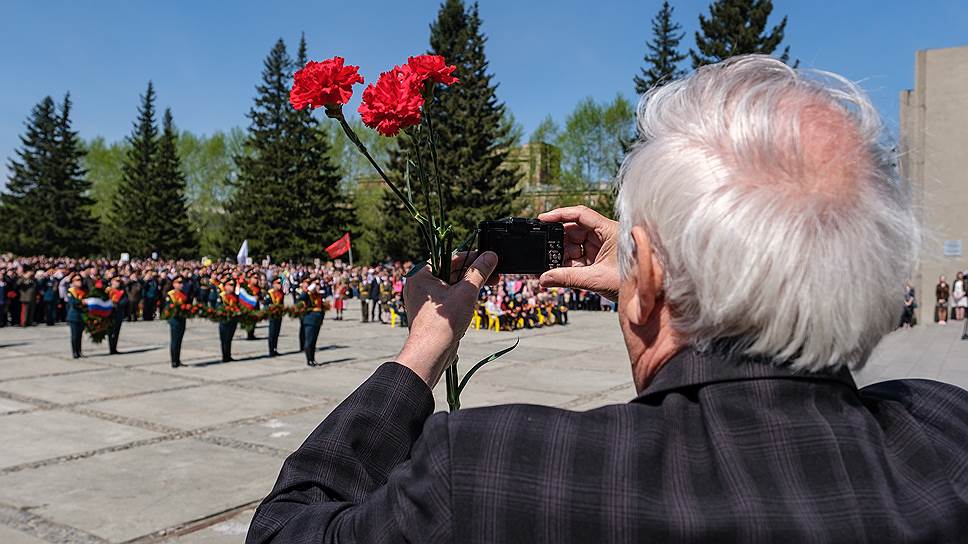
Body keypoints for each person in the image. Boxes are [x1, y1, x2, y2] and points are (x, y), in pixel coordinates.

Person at [246, 56, 968, 543]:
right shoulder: (943, 435)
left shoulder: (497, 471)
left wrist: (418, 355)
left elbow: (287, 528)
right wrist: (681, 268)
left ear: (643, 277)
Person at [301, 277, 325, 366]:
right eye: (315, 284)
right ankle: (309, 360)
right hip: (309, 320)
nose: (317, 286)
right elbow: (301, 297)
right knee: (309, 341)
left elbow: (322, 309)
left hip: (317, 321)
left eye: (318, 284)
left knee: (314, 341)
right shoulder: (308, 294)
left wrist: (322, 319)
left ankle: (313, 359)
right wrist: (308, 290)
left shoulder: (319, 295)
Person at [165, 276, 188, 368]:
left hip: (182, 319)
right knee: (175, 341)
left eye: (182, 283)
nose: (181, 285)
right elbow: (168, 307)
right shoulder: (170, 294)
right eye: (179, 283)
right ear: (174, 284)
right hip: (174, 320)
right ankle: (174, 361)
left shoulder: (183, 293)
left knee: (179, 341)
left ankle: (178, 360)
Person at [217, 276, 239, 363]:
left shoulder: (235, 296)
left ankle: (228, 355)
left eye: (233, 285)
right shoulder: (221, 296)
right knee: (224, 339)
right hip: (224, 320)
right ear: (225, 286)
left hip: (233, 320)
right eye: (230, 285)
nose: (232, 287)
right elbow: (217, 307)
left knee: (229, 338)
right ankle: (225, 356)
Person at [106, 276, 128, 355]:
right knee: (110, 332)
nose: (118, 283)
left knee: (116, 332)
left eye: (119, 281)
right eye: (116, 281)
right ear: (112, 281)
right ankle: (111, 348)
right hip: (109, 314)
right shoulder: (108, 290)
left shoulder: (122, 291)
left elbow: (125, 300)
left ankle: (114, 348)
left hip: (118, 313)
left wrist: (117, 304)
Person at [66, 274, 86, 359]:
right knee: (74, 335)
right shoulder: (71, 291)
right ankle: (74, 352)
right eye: (77, 280)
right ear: (73, 282)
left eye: (80, 279)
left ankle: (79, 351)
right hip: (73, 316)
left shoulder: (84, 291)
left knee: (80, 335)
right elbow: (73, 303)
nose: (79, 281)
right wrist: (82, 302)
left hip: (82, 315)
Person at [265, 277, 285, 357]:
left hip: (279, 315)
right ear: (274, 284)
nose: (280, 285)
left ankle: (275, 348)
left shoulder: (281, 293)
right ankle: (271, 350)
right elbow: (266, 304)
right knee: (272, 333)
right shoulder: (270, 293)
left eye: (280, 283)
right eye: (278, 283)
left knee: (277, 333)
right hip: (272, 315)